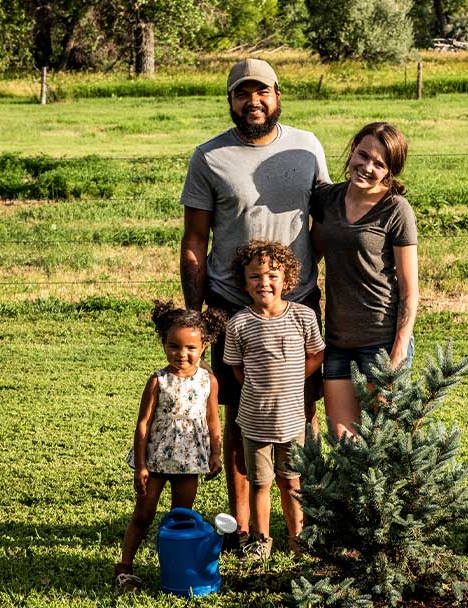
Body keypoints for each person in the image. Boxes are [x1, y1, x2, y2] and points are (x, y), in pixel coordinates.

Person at [180, 57, 330, 543]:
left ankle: (300, 525)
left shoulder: (306, 148)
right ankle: (245, 529)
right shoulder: (209, 157)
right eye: (243, 94)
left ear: (277, 93)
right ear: (230, 100)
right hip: (229, 305)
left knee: (301, 411)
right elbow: (194, 242)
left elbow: (326, 222)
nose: (253, 102)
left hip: (298, 303)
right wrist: (198, 317)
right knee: (243, 414)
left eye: (261, 92)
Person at [311, 122, 419, 439]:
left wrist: (397, 353)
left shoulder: (396, 210)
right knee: (342, 438)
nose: (367, 167)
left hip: (381, 341)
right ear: (354, 147)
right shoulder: (328, 200)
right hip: (338, 341)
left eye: (379, 164)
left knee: (382, 441)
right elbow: (312, 251)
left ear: (390, 171)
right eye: (363, 155)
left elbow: (410, 291)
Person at [222, 241, 325, 559]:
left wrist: (295, 378)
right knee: (260, 484)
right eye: (254, 276)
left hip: (293, 421)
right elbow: (236, 367)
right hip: (254, 422)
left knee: (291, 483)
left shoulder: (303, 317)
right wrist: (257, 386)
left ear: (287, 279)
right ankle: (260, 540)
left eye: (272, 275)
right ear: (244, 282)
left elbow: (317, 354)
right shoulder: (238, 323)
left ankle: (298, 539)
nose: (263, 282)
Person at [115, 301, 227, 592]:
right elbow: (143, 425)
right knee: (143, 515)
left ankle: (175, 570)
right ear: (164, 343)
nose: (182, 354)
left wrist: (216, 454)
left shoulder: (208, 380)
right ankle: (125, 567)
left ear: (204, 346)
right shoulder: (158, 381)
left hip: (189, 462)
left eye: (191, 347)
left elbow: (213, 420)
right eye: (173, 346)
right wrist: (140, 465)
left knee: (181, 519)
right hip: (155, 461)